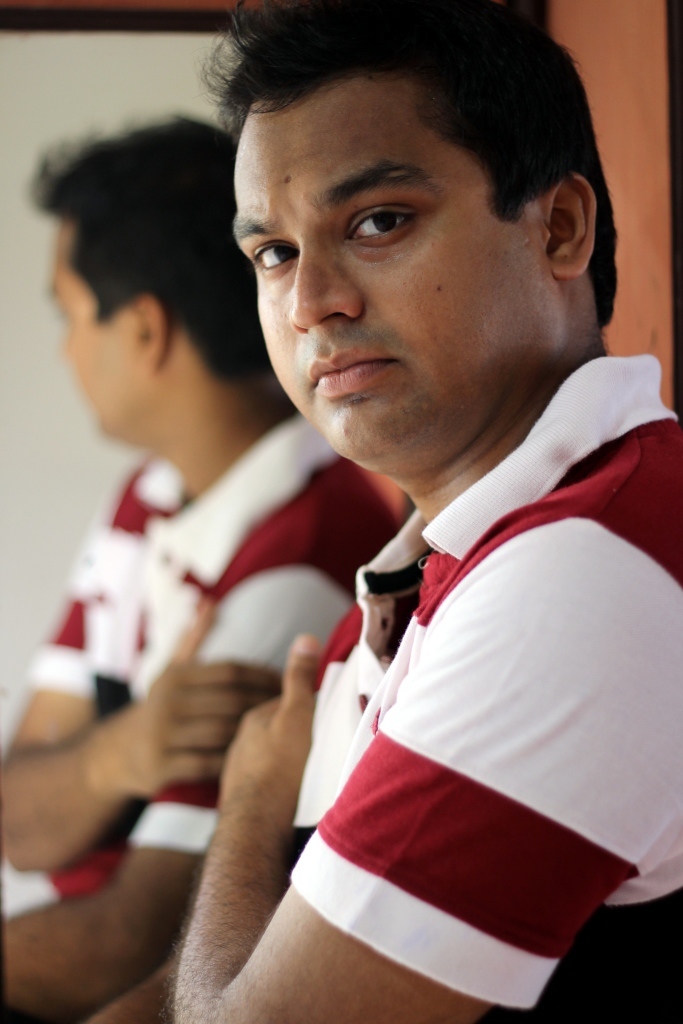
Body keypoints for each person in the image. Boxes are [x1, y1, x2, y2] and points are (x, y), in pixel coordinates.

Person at [144, 2, 683, 1023]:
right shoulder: (437, 560)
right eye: (273, 253)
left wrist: (250, 803)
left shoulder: (581, 573)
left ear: (558, 228)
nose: (310, 302)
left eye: (377, 221)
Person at [1, 117, 399, 1024]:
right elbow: (17, 820)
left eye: (70, 316)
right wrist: (124, 750)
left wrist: (86, 771)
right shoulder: (147, 496)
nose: (65, 350)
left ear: (145, 330)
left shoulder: (299, 559)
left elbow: (132, 946)